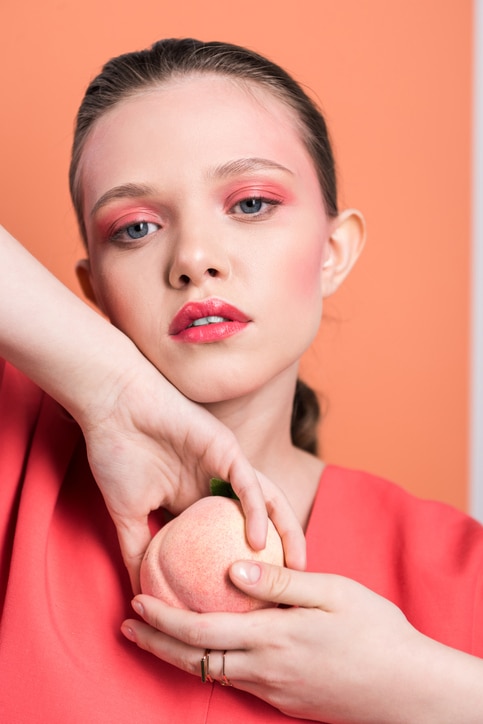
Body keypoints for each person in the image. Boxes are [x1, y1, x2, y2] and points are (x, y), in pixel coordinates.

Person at [1, 37, 482, 723]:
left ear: (332, 251)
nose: (193, 258)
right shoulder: (18, 463)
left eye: (251, 204)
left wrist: (423, 689)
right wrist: (107, 386)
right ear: (92, 292)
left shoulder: (456, 570)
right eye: (135, 227)